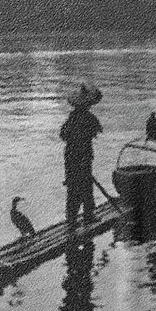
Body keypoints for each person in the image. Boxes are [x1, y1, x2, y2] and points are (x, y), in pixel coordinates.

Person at [61, 83, 103, 227]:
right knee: (85, 187)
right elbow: (96, 131)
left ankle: (72, 219)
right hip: (83, 156)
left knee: (73, 187)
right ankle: (88, 216)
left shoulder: (71, 119)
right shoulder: (89, 118)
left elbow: (63, 135)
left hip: (71, 157)